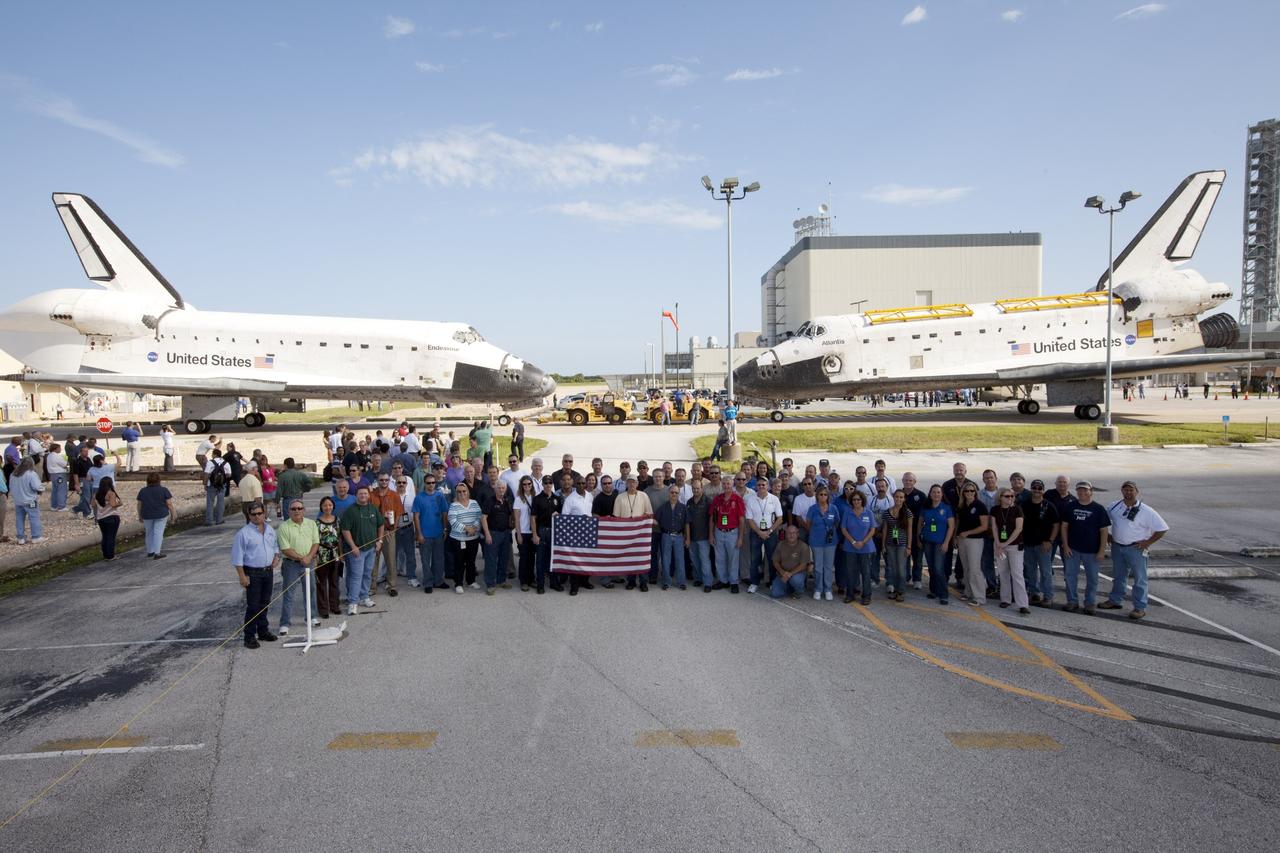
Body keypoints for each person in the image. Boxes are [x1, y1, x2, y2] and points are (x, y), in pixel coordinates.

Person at [1100, 480, 1169, 620]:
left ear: (1137, 492)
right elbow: (1103, 521)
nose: (1128, 492)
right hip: (1118, 547)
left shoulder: (1146, 511)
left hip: (1135, 549)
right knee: (1119, 576)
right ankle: (1115, 600)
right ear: (1122, 491)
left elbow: (1162, 528)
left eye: (1131, 490)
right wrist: (1108, 535)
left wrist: (1147, 542)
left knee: (1140, 579)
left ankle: (1139, 607)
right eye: (1125, 490)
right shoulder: (1114, 507)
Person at [232, 502, 280, 649]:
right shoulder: (243, 534)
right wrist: (242, 576)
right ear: (249, 515)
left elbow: (275, 545)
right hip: (252, 573)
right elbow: (237, 557)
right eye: (253, 514)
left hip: (268, 572)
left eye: (260, 513)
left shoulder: (270, 529)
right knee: (253, 606)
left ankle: (263, 631)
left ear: (264, 513)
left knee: (265, 603)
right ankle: (249, 636)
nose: (257, 516)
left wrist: (276, 556)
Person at [1060, 481, 1111, 615]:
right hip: (1073, 549)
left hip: (1092, 551)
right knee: (1070, 576)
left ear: (1091, 491)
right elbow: (1064, 527)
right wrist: (1065, 545)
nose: (1082, 493)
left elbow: (1104, 531)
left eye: (1085, 490)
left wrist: (1101, 550)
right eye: (1079, 490)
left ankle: (1089, 603)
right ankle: (1072, 601)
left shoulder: (1098, 509)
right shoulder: (1070, 506)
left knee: (1092, 578)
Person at [276, 498, 321, 634]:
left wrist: (308, 557)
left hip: (309, 563)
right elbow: (285, 548)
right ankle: (285, 623)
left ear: (304, 510)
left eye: (299, 508)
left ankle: (311, 617)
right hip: (291, 565)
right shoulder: (284, 526)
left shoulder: (311, 523)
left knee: (311, 591)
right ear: (289, 511)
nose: (297, 511)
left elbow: (315, 543)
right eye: (293, 509)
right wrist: (302, 558)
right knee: (289, 594)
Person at [341, 486, 384, 614]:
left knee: (367, 573)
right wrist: (353, 546)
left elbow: (380, 525)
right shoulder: (350, 511)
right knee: (356, 576)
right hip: (356, 550)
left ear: (369, 495)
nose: (363, 495)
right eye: (360, 494)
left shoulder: (373, 509)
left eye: (365, 493)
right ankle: (353, 602)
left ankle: (364, 597)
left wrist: (379, 541)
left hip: (371, 549)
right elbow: (345, 530)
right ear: (356, 495)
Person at [1020, 480, 1061, 607]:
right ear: (1031, 489)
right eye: (1034, 488)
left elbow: (1056, 525)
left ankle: (1048, 596)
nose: (1036, 490)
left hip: (1043, 545)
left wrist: (1050, 541)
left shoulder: (1049, 506)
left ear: (1043, 490)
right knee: (1030, 570)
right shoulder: (1024, 505)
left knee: (1046, 572)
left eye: (1039, 488)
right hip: (1028, 544)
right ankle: (1034, 593)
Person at [990, 489, 1029, 615]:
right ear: (1000, 497)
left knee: (1017, 574)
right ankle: (1005, 599)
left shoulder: (1017, 509)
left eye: (1012, 496)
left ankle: (1022, 604)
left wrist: (1004, 544)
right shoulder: (995, 510)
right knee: (1003, 573)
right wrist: (997, 544)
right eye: (1007, 496)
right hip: (1000, 545)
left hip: (1014, 546)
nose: (1010, 498)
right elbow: (994, 527)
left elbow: (1019, 529)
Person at [743, 476, 783, 593]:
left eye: (763, 485)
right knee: (755, 558)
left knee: (771, 558)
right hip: (756, 532)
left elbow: (780, 518)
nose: (761, 487)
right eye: (759, 485)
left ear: (768, 486)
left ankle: (771, 582)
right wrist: (759, 532)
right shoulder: (751, 499)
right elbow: (749, 519)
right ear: (756, 486)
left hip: (770, 532)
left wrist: (769, 531)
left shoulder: (774, 499)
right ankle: (754, 583)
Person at [413, 472, 451, 593]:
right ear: (425, 484)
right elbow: (416, 517)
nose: (431, 485)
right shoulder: (419, 497)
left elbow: (445, 513)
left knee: (438, 559)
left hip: (438, 533)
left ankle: (438, 581)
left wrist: (445, 528)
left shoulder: (440, 496)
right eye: (428, 483)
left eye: (433, 483)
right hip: (425, 534)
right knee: (425, 560)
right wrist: (419, 533)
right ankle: (428, 583)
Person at [710, 473, 746, 593]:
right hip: (719, 531)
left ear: (733, 484)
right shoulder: (717, 499)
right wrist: (711, 534)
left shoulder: (737, 499)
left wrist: (740, 538)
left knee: (733, 558)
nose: (726, 486)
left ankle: (733, 582)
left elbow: (741, 519)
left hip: (733, 532)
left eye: (728, 484)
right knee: (720, 558)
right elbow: (712, 518)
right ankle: (723, 580)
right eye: (724, 484)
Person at [919, 485, 955, 605]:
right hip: (928, 541)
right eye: (933, 492)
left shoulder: (946, 508)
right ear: (930, 494)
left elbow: (951, 527)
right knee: (931, 568)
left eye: (938, 492)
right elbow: (920, 523)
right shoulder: (926, 508)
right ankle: (933, 590)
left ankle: (943, 594)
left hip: (940, 542)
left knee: (939, 569)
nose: (936, 494)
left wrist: (946, 542)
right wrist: (919, 537)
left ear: (942, 494)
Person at [369, 472, 404, 597]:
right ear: (377, 481)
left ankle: (392, 586)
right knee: (373, 560)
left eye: (386, 480)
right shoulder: (371, 495)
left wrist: (395, 527)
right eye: (381, 480)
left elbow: (399, 511)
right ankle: (371, 587)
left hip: (389, 531)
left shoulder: (394, 495)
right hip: (373, 532)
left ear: (389, 481)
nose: (384, 482)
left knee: (390, 559)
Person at [840, 492, 877, 605]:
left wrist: (863, 542)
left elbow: (872, 530)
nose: (856, 502)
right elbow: (843, 529)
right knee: (850, 572)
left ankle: (866, 596)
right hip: (850, 547)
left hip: (866, 548)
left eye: (859, 500)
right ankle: (850, 594)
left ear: (862, 501)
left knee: (866, 572)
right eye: (854, 500)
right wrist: (853, 541)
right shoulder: (848, 512)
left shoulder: (868, 513)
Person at [447, 481, 484, 594]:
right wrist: (467, 529)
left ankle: (471, 581)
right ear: (456, 493)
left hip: (473, 538)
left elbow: (479, 517)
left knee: (471, 561)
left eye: (464, 491)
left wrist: (474, 528)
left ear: (468, 492)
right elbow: (452, 520)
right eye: (459, 492)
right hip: (459, 539)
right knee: (459, 561)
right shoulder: (454, 505)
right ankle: (458, 583)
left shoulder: (474, 503)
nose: (462, 493)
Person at [955, 483, 989, 604]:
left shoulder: (980, 506)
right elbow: (958, 523)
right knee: (966, 568)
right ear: (963, 493)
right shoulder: (961, 506)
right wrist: (956, 537)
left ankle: (979, 597)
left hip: (975, 540)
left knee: (975, 569)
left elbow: (984, 526)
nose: (969, 493)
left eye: (972, 491)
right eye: (966, 491)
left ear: (975, 492)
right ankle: (968, 592)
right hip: (962, 540)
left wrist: (968, 533)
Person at [806, 487, 841, 601]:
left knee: (828, 566)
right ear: (817, 496)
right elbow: (808, 524)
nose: (822, 497)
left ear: (828, 496)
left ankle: (828, 589)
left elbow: (837, 523)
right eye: (820, 494)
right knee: (818, 567)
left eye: (825, 495)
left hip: (830, 542)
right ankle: (818, 589)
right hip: (816, 541)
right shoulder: (812, 509)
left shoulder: (833, 508)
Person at [482, 480, 514, 594]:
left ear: (506, 489)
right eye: (499, 488)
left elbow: (511, 515)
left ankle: (501, 580)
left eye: (503, 488)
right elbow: (483, 518)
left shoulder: (507, 500)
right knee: (491, 560)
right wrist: (487, 534)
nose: (501, 490)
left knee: (504, 559)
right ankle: (490, 584)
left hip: (505, 533)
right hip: (493, 534)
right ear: (495, 489)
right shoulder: (489, 501)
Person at [532, 476, 563, 594]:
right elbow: (533, 518)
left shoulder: (557, 498)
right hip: (542, 531)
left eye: (550, 482)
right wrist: (535, 534)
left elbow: (561, 516)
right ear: (543, 484)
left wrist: (558, 515)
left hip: (554, 532)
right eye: (546, 483)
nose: (548, 485)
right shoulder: (537, 499)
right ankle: (540, 584)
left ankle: (554, 582)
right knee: (540, 559)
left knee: (553, 558)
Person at [880, 489, 912, 602]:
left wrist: (909, 546)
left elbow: (909, 530)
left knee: (901, 569)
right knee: (892, 568)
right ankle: (892, 589)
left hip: (902, 544)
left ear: (904, 499)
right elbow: (884, 529)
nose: (898, 499)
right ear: (893, 498)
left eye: (901, 497)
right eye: (897, 497)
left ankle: (901, 590)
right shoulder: (887, 512)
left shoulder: (907, 513)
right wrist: (883, 545)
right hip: (890, 544)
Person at [656, 484, 688, 590]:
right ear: (668, 493)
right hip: (666, 536)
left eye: (676, 492)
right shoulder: (662, 507)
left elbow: (686, 523)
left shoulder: (683, 508)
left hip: (679, 536)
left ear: (679, 494)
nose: (674, 494)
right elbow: (656, 521)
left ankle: (681, 582)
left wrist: (687, 538)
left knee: (680, 559)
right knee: (666, 559)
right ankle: (666, 581)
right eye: (672, 492)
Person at [314, 496, 343, 618]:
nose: (327, 507)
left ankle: (335, 606)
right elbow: (314, 540)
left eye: (330, 505)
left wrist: (341, 554)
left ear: (333, 506)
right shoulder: (316, 523)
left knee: (334, 581)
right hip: (322, 555)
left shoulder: (337, 520)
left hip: (335, 554)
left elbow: (340, 538)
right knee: (321, 584)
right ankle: (323, 609)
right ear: (321, 507)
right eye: (325, 505)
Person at [8, 458, 46, 545]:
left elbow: (10, 486)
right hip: (30, 500)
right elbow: (37, 487)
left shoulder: (13, 474)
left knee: (19, 519)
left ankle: (20, 538)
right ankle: (36, 536)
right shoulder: (31, 474)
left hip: (18, 501)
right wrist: (42, 489)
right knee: (34, 518)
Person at [684, 479, 713, 592]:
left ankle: (708, 583)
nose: (696, 490)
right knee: (695, 559)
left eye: (698, 488)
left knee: (705, 560)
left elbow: (712, 520)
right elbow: (687, 521)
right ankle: (698, 578)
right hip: (692, 536)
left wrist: (711, 535)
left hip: (704, 537)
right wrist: (687, 537)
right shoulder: (689, 502)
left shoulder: (708, 501)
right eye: (694, 488)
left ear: (702, 488)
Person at [136, 473, 174, 559]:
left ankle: (150, 551)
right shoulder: (164, 490)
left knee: (149, 532)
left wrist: (139, 515)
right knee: (158, 533)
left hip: (146, 514)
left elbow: (139, 504)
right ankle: (157, 552)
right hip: (161, 514)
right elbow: (169, 504)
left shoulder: (143, 491)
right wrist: (173, 514)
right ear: (159, 480)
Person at [770, 525, 812, 598]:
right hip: (783, 573)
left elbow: (803, 565)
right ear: (786, 534)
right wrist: (782, 572)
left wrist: (790, 574)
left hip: (797, 574)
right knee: (775, 594)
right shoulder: (780, 545)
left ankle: (799, 591)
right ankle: (790, 588)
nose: (791, 535)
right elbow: (775, 561)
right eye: (789, 533)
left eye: (794, 533)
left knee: (796, 581)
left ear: (797, 534)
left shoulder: (803, 546)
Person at [513, 476, 538, 591]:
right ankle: (523, 581)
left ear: (532, 485)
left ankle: (531, 579)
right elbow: (517, 519)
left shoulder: (535, 498)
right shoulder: (518, 499)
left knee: (532, 557)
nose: (527, 486)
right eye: (524, 484)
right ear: (521, 486)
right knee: (524, 557)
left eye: (529, 484)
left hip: (532, 532)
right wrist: (518, 534)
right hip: (522, 532)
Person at [94, 476, 123, 560]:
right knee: (111, 537)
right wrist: (120, 503)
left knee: (105, 536)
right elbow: (113, 504)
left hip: (101, 517)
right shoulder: (111, 493)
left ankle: (106, 554)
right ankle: (111, 555)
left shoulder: (96, 493)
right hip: (111, 516)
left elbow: (93, 504)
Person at [204, 450, 232, 525]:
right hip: (222, 485)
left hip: (211, 485)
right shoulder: (226, 463)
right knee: (220, 502)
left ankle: (209, 520)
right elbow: (229, 475)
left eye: (212, 454)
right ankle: (219, 520)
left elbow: (206, 473)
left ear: (215, 454)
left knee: (210, 503)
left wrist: (205, 484)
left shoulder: (210, 462)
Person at [46, 444, 69, 512]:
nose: (60, 449)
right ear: (55, 449)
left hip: (52, 474)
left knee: (55, 490)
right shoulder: (57, 456)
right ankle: (61, 506)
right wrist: (66, 461)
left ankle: (54, 505)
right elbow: (65, 464)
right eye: (59, 448)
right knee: (61, 490)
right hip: (59, 474)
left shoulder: (49, 456)